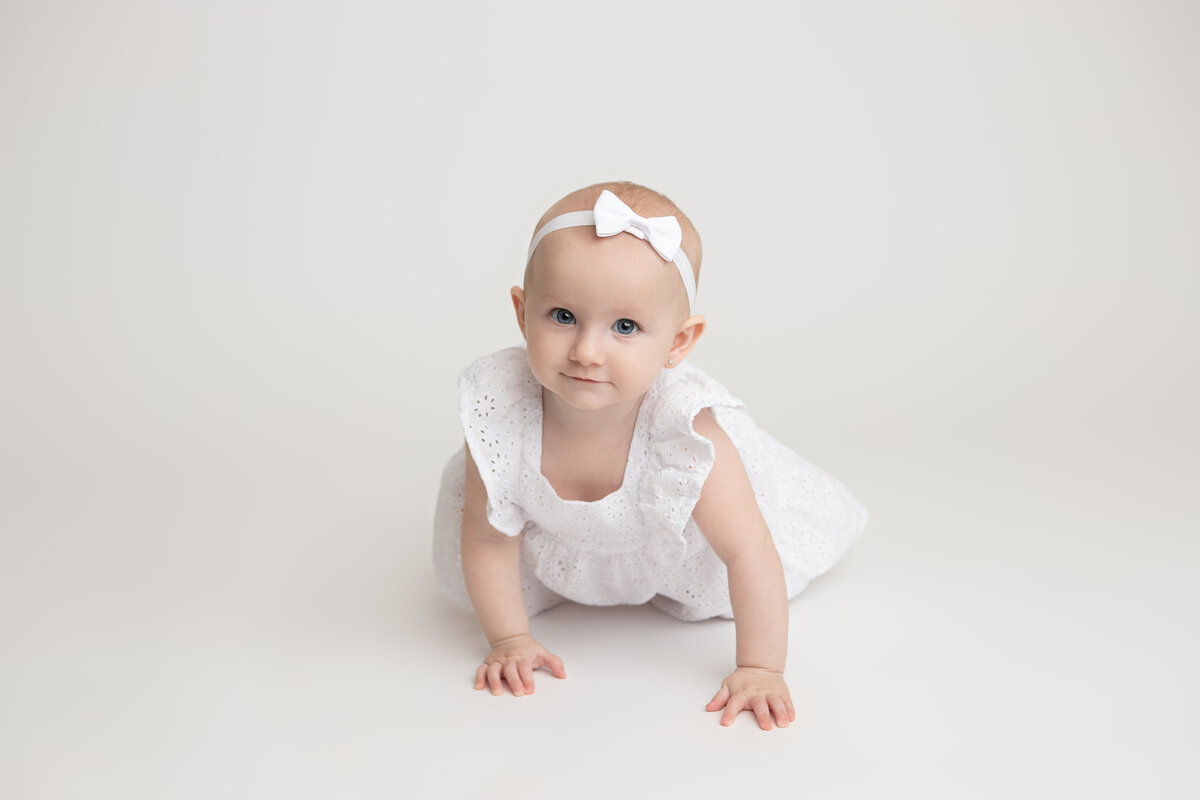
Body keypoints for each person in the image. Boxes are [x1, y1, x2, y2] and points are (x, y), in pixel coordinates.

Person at [432, 181, 867, 729]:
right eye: (562, 316)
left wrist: (761, 668)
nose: (588, 351)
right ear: (522, 312)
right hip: (557, 546)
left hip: (677, 549)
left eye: (625, 327)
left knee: (734, 570)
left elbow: (747, 551)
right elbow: (490, 537)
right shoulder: (502, 413)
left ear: (678, 343)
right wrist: (510, 638)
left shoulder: (686, 434)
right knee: (489, 566)